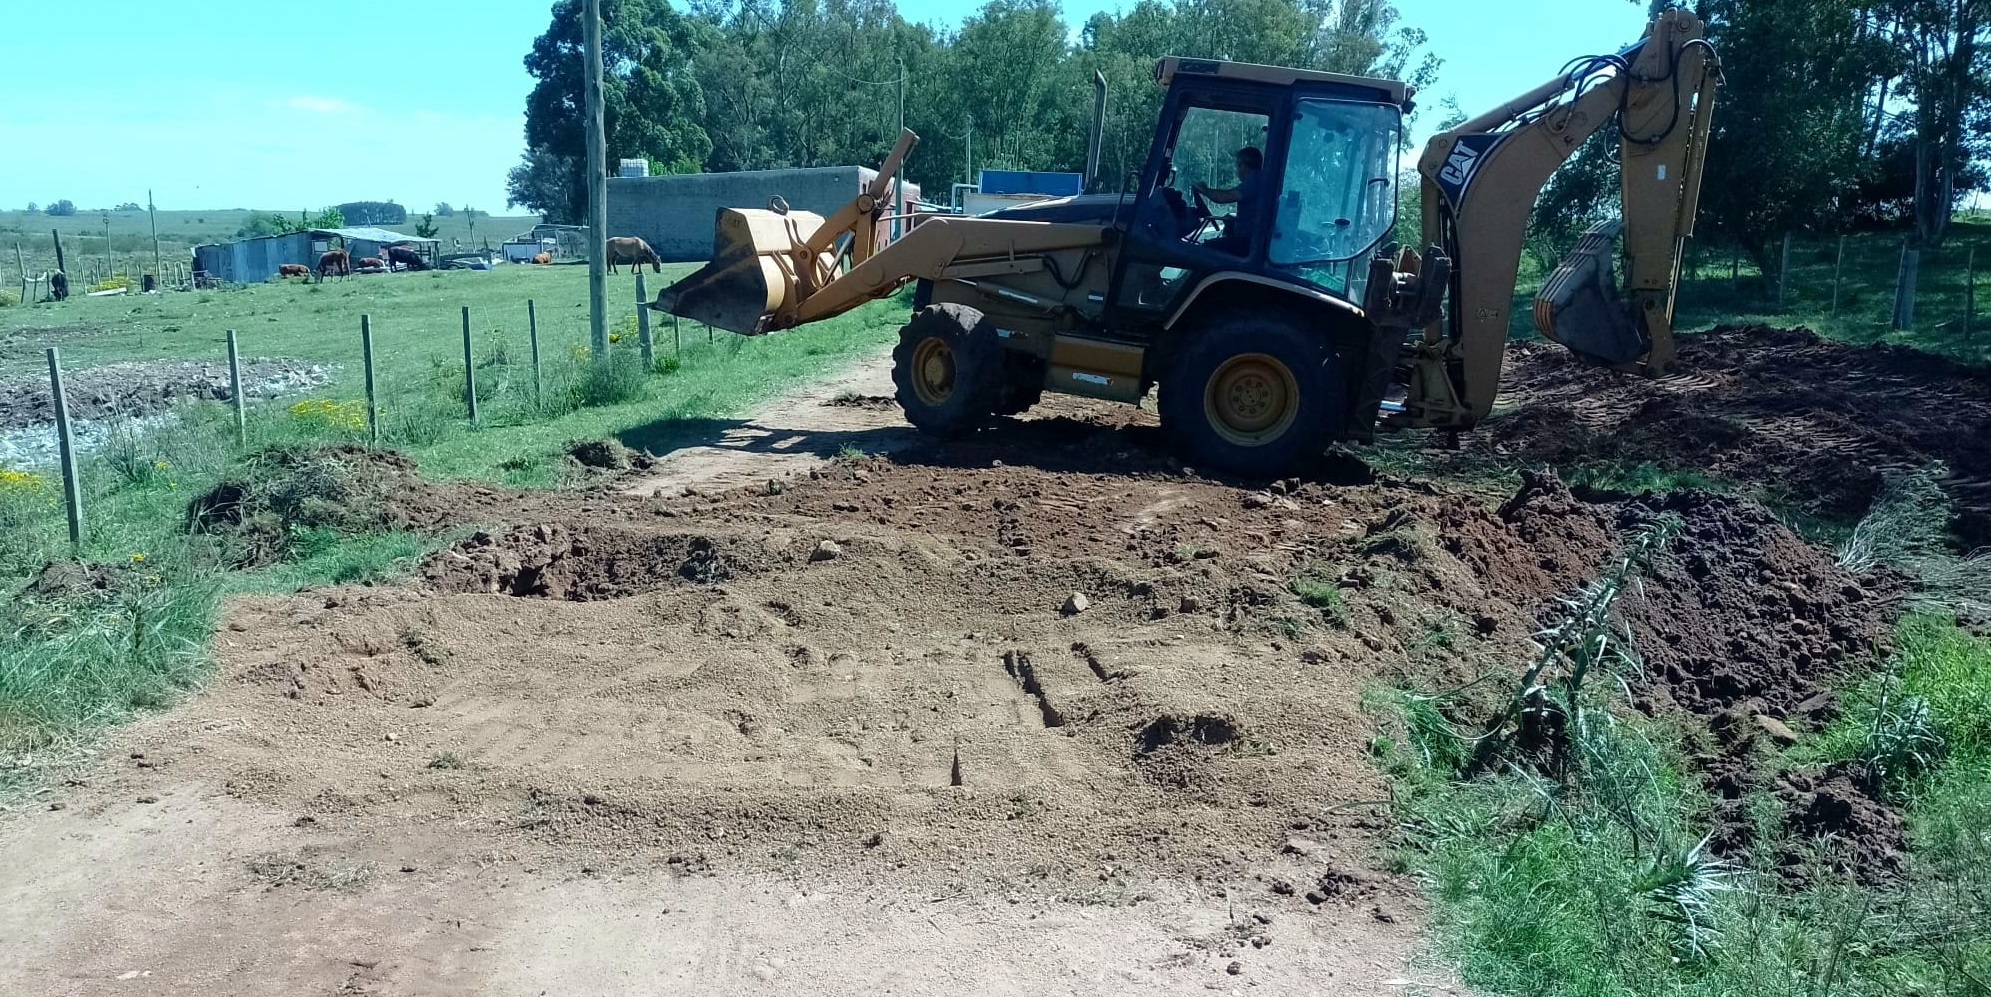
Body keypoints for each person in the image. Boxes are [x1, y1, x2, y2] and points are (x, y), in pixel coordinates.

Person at [1193, 146, 1264, 256]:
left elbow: (1223, 197)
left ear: (1244, 167)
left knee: (1205, 250)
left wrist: (1204, 189)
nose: (1237, 171)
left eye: (1237, 166)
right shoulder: (1260, 180)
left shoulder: (1253, 183)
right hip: (1252, 237)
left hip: (1248, 241)